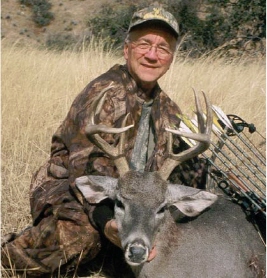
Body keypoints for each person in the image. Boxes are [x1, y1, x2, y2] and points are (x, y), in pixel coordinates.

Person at [1, 4, 207, 276]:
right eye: (144, 44)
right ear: (127, 50)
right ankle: (11, 258)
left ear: (171, 59)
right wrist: (107, 222)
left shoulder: (169, 110)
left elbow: (176, 176)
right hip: (69, 188)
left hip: (130, 202)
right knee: (83, 236)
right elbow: (85, 171)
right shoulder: (104, 94)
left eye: (163, 48)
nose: (152, 55)